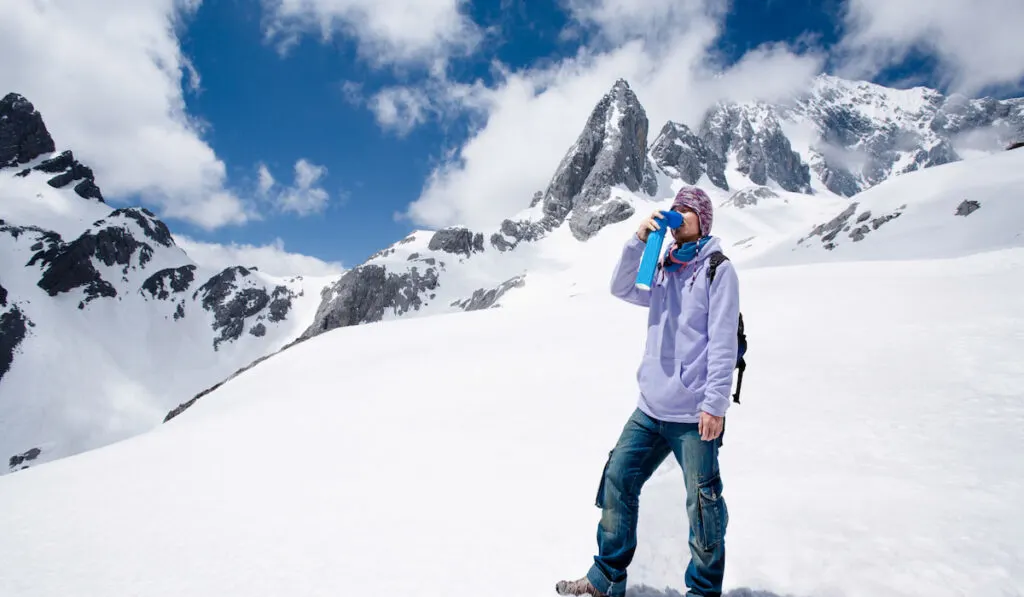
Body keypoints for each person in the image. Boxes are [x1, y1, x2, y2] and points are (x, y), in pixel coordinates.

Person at [556, 186, 740, 597]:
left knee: (703, 504)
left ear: (704, 220)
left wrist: (714, 405)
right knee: (618, 478)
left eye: (688, 210)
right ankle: (606, 580)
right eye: (675, 208)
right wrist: (639, 240)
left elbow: (724, 340)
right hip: (649, 407)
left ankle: (704, 591)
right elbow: (621, 288)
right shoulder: (664, 266)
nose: (679, 214)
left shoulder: (717, 269)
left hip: (693, 414)